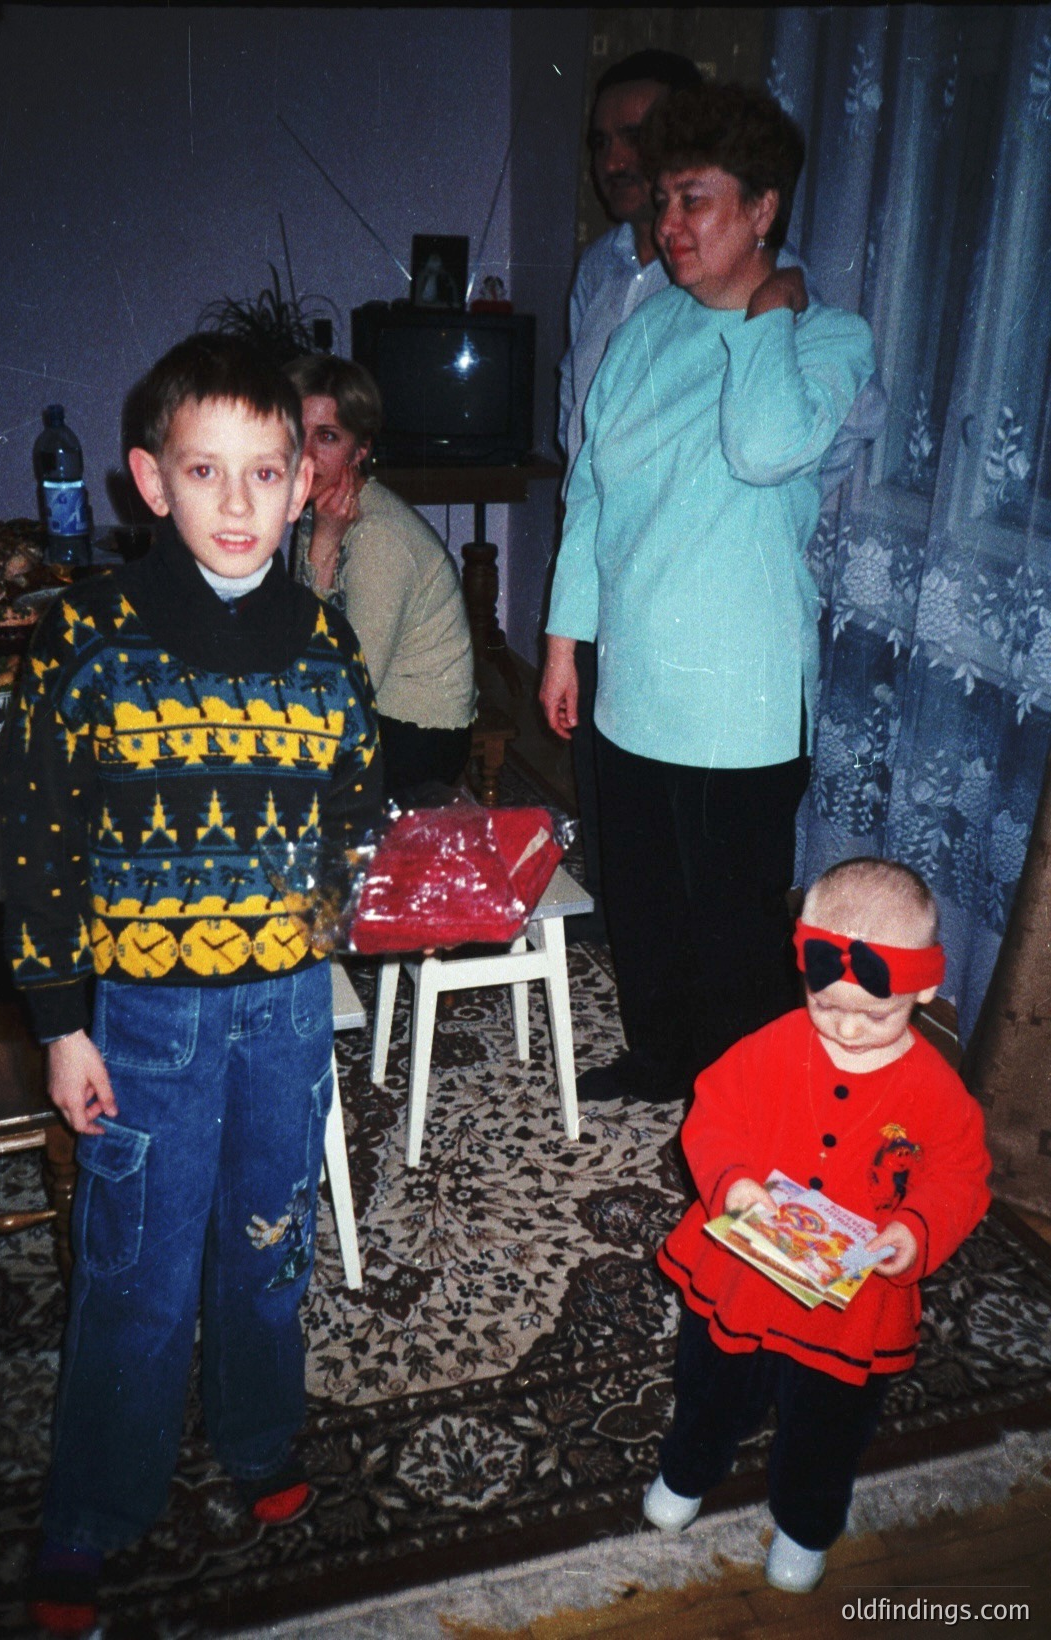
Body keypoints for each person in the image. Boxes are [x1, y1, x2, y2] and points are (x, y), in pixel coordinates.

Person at [0, 333, 382, 1634]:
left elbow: (354, 810)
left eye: (265, 472)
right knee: (138, 1271)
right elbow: (36, 838)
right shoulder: (85, 643)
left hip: (283, 1009)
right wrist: (60, 1024)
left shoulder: (329, 651)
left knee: (270, 1246)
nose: (234, 502)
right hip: (144, 1016)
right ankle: (95, 1509)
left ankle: (261, 1441)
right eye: (204, 471)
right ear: (149, 480)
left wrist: (340, 919)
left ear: (301, 486)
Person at [541, 84, 877, 1107]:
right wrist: (563, 642)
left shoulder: (827, 338)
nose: (668, 225)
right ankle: (657, 1055)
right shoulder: (646, 332)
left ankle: (740, 1094)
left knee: (728, 915)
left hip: (740, 698)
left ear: (762, 210)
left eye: (695, 201)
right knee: (638, 892)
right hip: (633, 673)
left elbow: (764, 444)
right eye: (663, 204)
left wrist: (768, 318)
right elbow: (593, 489)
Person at [646, 858, 991, 1592]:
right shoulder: (773, 1045)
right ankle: (687, 1471)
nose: (847, 1027)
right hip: (741, 1279)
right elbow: (712, 1115)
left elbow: (960, 1173)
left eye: (875, 1013)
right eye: (826, 1002)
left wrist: (917, 1232)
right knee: (709, 1385)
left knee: (828, 1428)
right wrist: (733, 1183)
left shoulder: (936, 1087)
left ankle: (806, 1525)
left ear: (924, 988)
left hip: (852, 1307)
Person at [285, 354, 477, 803]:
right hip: (376, 711)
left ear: (361, 449)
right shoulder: (320, 511)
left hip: (418, 734)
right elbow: (299, 635)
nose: (306, 454)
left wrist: (321, 549)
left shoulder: (377, 537)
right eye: (298, 433)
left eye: (328, 437)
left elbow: (345, 689)